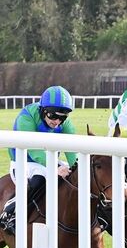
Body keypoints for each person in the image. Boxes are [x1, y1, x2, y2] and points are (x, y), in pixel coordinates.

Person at [0, 86, 77, 235]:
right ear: (43, 110)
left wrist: (76, 167)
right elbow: (34, 151)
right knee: (40, 177)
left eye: (62, 118)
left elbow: (72, 150)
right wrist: (55, 166)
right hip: (23, 161)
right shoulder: (27, 116)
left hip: (48, 160)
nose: (57, 122)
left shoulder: (64, 124)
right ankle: (10, 212)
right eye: (53, 116)